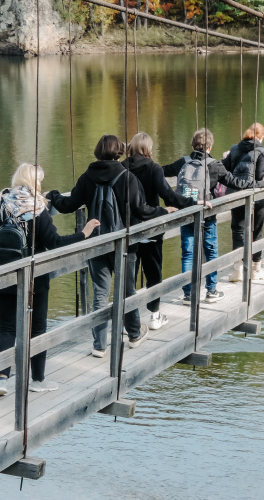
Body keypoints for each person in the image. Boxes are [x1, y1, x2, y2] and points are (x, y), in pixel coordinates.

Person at [0, 163, 100, 397]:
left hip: (1, 274)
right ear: (35, 182)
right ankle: (37, 380)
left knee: (7, 327)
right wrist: (84, 233)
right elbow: (55, 243)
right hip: (34, 277)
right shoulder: (37, 207)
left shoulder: (0, 201)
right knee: (37, 328)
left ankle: (1, 381)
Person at [47, 135, 170, 359]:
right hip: (124, 243)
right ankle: (134, 334)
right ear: (119, 151)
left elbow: (68, 205)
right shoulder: (127, 176)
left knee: (100, 294)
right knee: (127, 290)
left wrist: (53, 195)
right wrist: (164, 210)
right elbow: (142, 210)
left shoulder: (87, 177)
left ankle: (99, 346)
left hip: (96, 243)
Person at [163, 128, 263, 303]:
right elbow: (236, 182)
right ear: (210, 147)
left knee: (188, 254)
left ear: (192, 144)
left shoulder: (183, 162)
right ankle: (211, 291)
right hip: (207, 215)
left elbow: (163, 171)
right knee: (210, 251)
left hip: (187, 213)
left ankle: (188, 294)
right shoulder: (215, 165)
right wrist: (259, 183)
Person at [123, 132, 195, 331]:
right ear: (148, 149)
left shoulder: (122, 168)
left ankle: (128, 319)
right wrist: (193, 203)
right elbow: (169, 196)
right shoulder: (154, 168)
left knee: (129, 275)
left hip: (127, 230)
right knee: (153, 270)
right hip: (151, 226)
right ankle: (154, 315)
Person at [223, 123, 264, 284]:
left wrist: (225, 158)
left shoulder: (234, 149)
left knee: (238, 230)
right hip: (256, 196)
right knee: (256, 230)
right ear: (262, 136)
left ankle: (238, 269)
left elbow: (225, 171)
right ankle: (255, 270)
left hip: (237, 195)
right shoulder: (262, 152)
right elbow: (261, 176)